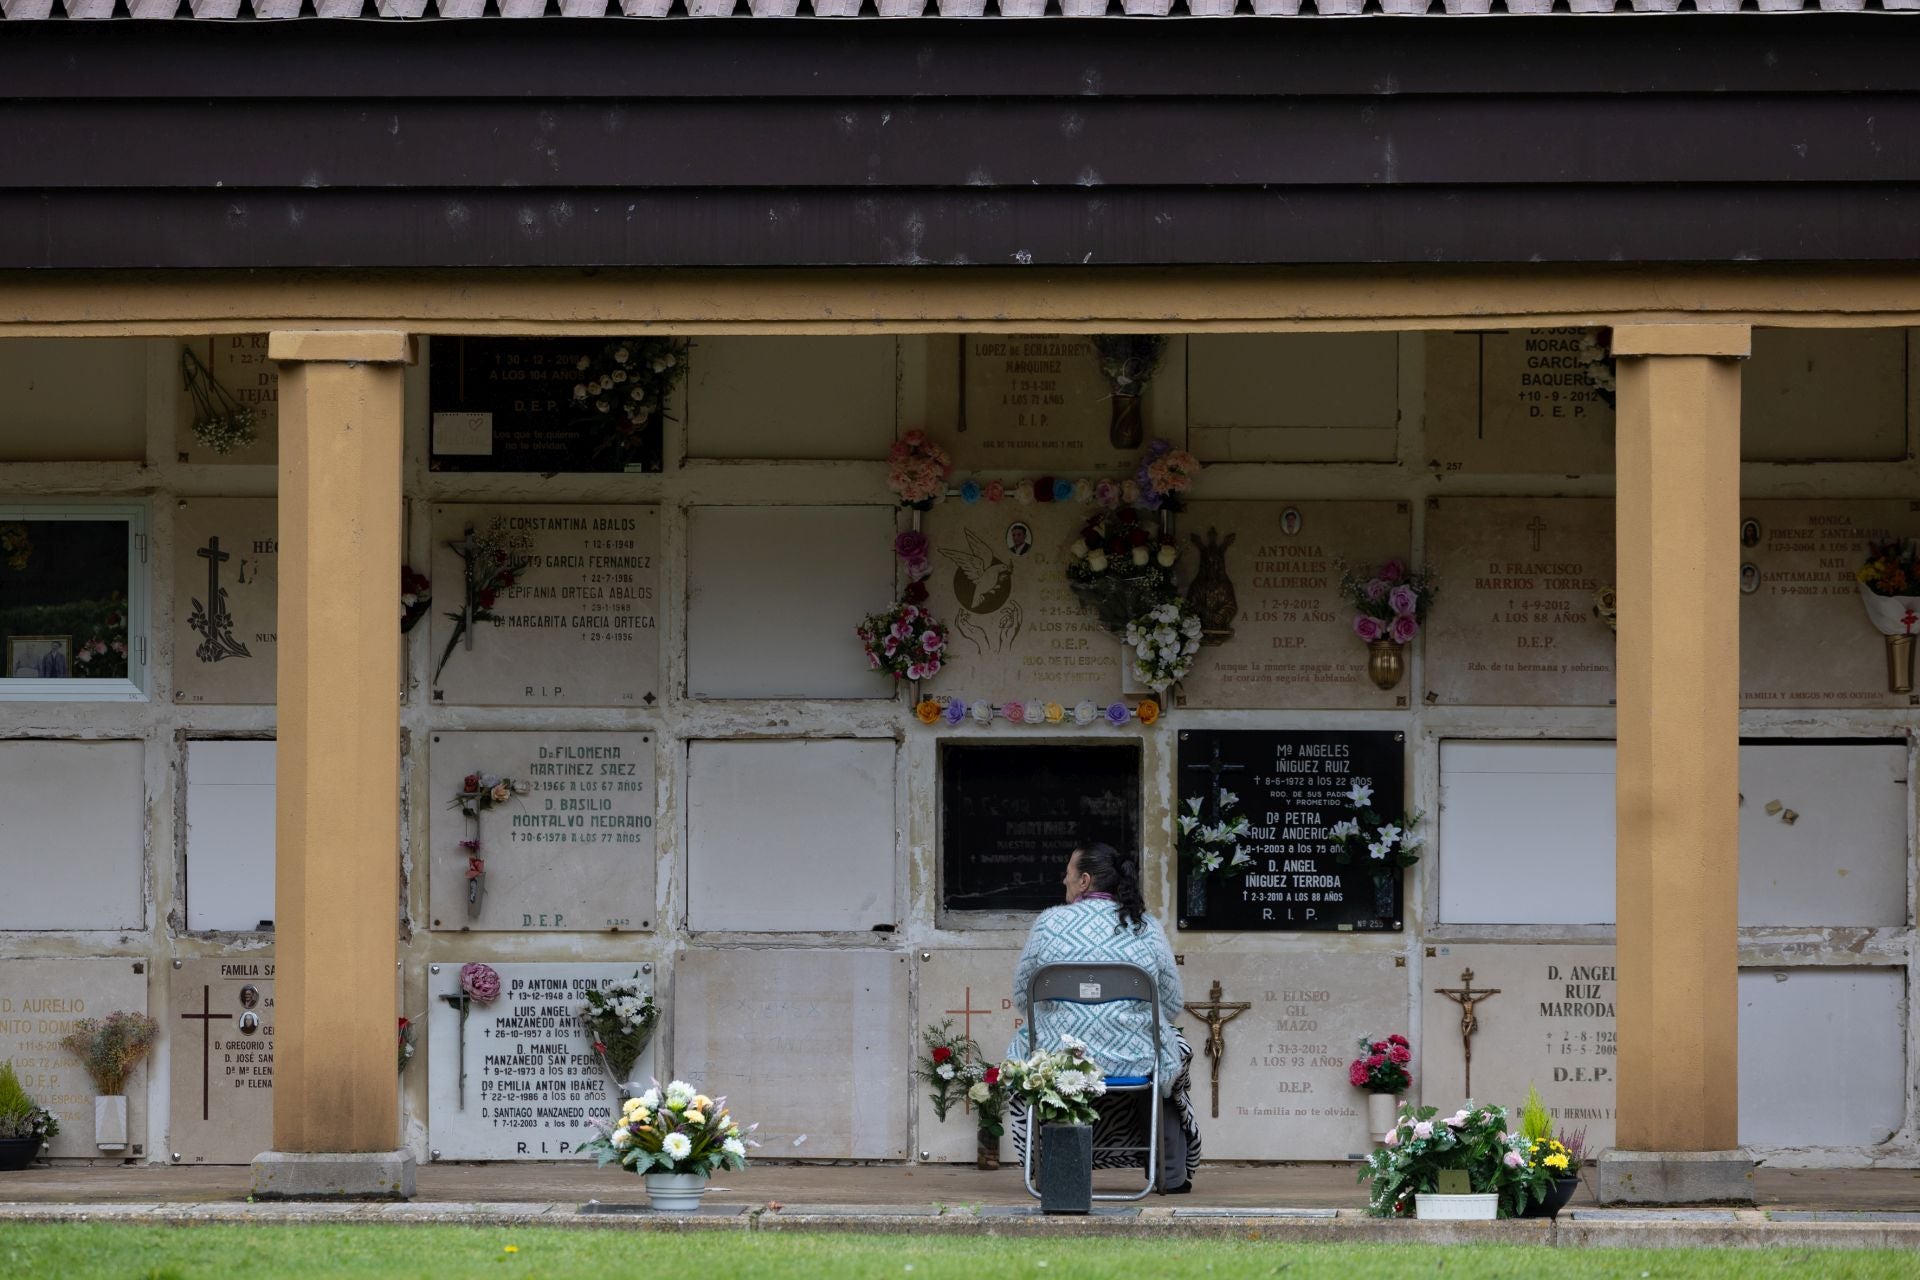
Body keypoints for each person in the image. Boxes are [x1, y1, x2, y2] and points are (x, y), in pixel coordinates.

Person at [1005, 841, 1202, 1193]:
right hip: (1134, 1059)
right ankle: (1170, 1175)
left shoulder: (1049, 923)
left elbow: (1023, 997)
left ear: (1084, 880)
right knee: (1172, 1054)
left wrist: (1071, 1019)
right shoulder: (1146, 926)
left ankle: (1055, 1171)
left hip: (1061, 1061)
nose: (1061, 880)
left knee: (1026, 1047)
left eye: (1067, 873)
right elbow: (1171, 1003)